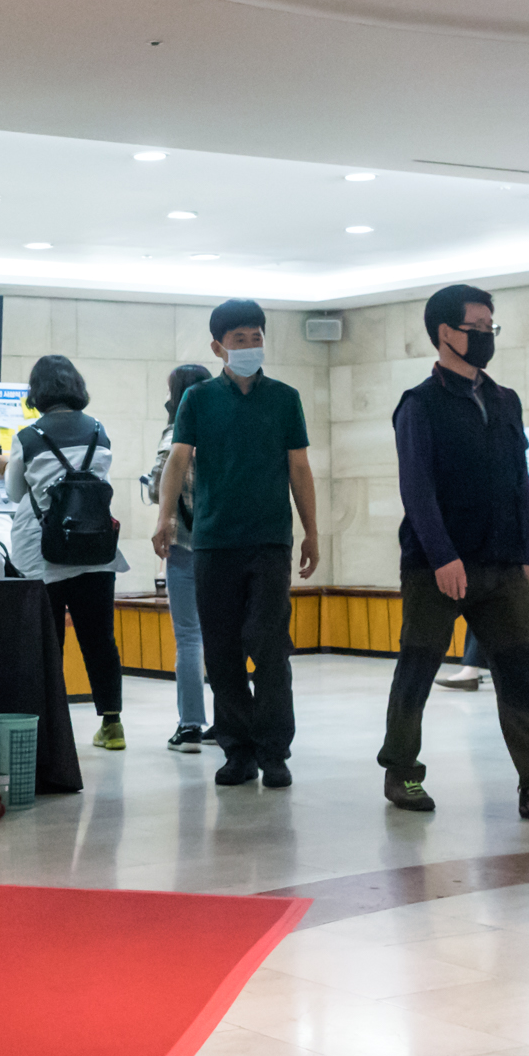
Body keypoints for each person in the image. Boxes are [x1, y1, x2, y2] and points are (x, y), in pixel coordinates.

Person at [381, 286, 529, 819]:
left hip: (503, 562)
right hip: (437, 566)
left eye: (490, 328)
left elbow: (518, 481)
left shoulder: (506, 400)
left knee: (520, 671)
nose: (485, 336)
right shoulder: (419, 404)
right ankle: (401, 771)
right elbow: (417, 489)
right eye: (476, 327)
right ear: (445, 333)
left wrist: (525, 555)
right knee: (418, 666)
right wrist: (442, 557)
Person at [152, 301, 317, 787]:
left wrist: (312, 531)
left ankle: (274, 751)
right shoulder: (199, 399)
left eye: (256, 337)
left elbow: (300, 467)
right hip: (213, 543)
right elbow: (177, 460)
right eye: (239, 339)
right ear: (218, 347)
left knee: (270, 648)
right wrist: (165, 517)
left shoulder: (285, 398)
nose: (250, 345)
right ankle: (237, 750)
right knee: (221, 651)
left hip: (269, 542)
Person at [2, 354, 130, 749]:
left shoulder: (28, 438)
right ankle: (112, 725)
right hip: (96, 549)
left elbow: (14, 492)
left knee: (48, 642)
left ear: (36, 392)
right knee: (100, 640)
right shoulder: (99, 431)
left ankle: (52, 731)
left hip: (43, 553)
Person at [143, 363, 214, 753]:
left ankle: (189, 726)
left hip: (185, 547)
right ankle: (229, 721)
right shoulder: (225, 432)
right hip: (224, 549)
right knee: (225, 636)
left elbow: (159, 484)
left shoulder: (175, 435)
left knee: (189, 637)